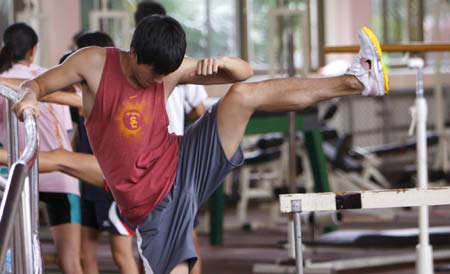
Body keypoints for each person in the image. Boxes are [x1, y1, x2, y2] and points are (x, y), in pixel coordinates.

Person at [14, 15, 389, 274]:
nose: (162, 80)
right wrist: (29, 99)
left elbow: (244, 74)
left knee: (241, 95)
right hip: (153, 208)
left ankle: (357, 80)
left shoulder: (170, 68)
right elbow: (39, 84)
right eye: (155, 74)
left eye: (167, 74)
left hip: (183, 159)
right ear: (134, 54)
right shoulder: (93, 63)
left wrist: (223, 63)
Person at [0, 23, 83, 274]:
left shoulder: (3, 84)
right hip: (61, 176)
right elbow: (66, 129)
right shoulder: (51, 78)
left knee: (12, 254)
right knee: (70, 261)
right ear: (33, 51)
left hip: (18, 175)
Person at [134, 3, 208, 274]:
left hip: (144, 163)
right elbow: (200, 111)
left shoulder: (133, 62)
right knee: (186, 233)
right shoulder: (181, 60)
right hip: (174, 159)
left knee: (147, 239)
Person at [73, 31, 140, 274]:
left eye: (80, 56)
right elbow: (77, 136)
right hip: (88, 183)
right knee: (84, 254)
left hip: (113, 185)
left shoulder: (117, 92)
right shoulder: (82, 89)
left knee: (121, 254)